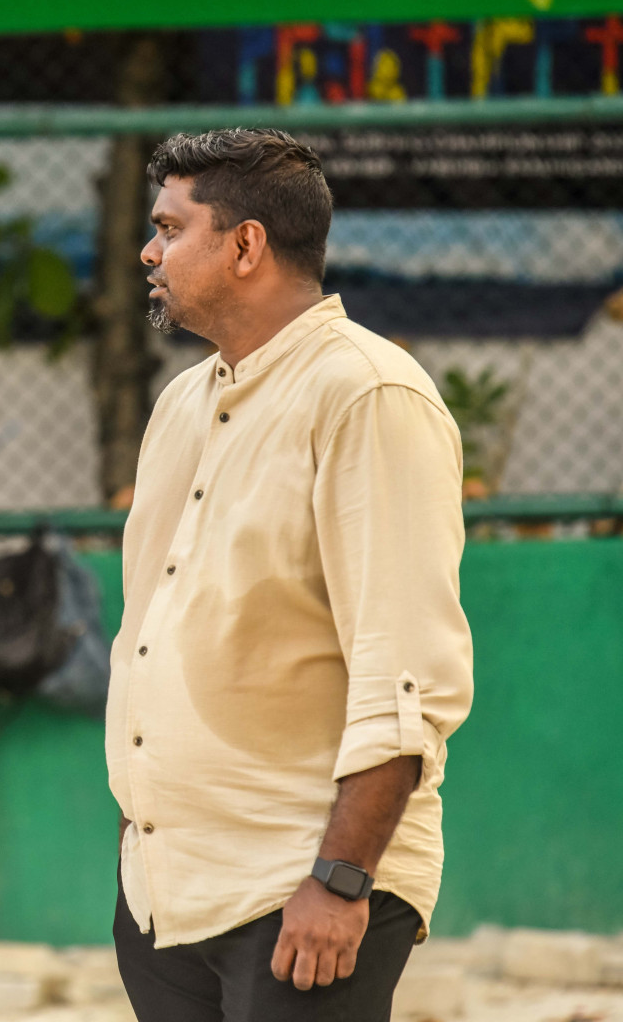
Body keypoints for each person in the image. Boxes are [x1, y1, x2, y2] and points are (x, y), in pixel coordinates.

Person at [106, 128, 474, 1021]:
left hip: (299, 894)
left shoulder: (367, 396)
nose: (147, 252)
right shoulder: (184, 402)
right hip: (166, 895)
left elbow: (404, 677)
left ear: (245, 246)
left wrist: (341, 882)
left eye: (167, 228)